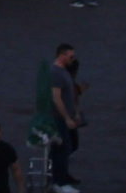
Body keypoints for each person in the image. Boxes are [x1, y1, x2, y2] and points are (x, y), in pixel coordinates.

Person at [43, 44, 85, 193]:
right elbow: (56, 98)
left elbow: (71, 93)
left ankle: (59, 176)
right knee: (63, 147)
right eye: (71, 56)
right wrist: (67, 118)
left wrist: (76, 112)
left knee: (68, 146)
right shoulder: (55, 72)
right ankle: (59, 183)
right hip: (58, 119)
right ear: (62, 55)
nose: (73, 59)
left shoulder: (64, 71)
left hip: (66, 117)